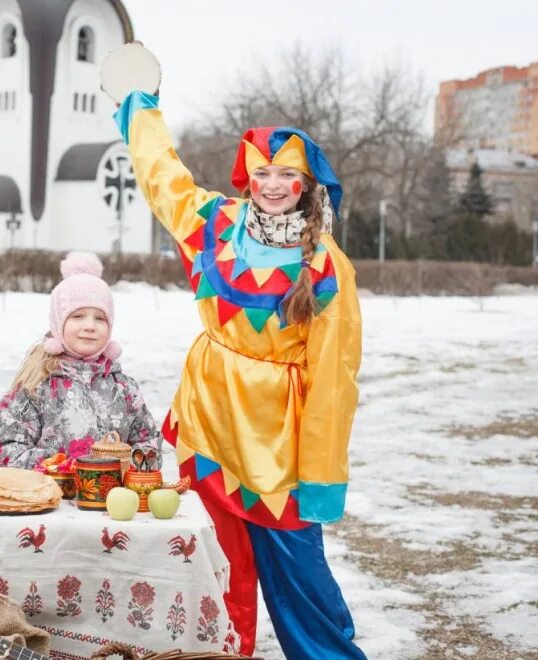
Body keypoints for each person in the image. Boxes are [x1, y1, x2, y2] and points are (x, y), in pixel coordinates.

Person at [113, 85, 365, 659]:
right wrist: (140, 109)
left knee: (302, 582)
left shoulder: (327, 265)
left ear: (306, 185)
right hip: (207, 426)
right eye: (263, 173)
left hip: (279, 450)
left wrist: (320, 475)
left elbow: (334, 381)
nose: (273, 185)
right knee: (213, 573)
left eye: (287, 175)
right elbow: (162, 177)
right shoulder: (214, 223)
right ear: (248, 178)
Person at [0, 251, 162, 471]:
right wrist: (66, 468)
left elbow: (148, 445)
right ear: (58, 323)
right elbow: (6, 449)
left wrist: (126, 466)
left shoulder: (124, 388)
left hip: (113, 493)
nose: (90, 326)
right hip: (51, 492)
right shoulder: (36, 385)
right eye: (77, 316)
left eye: (100, 318)